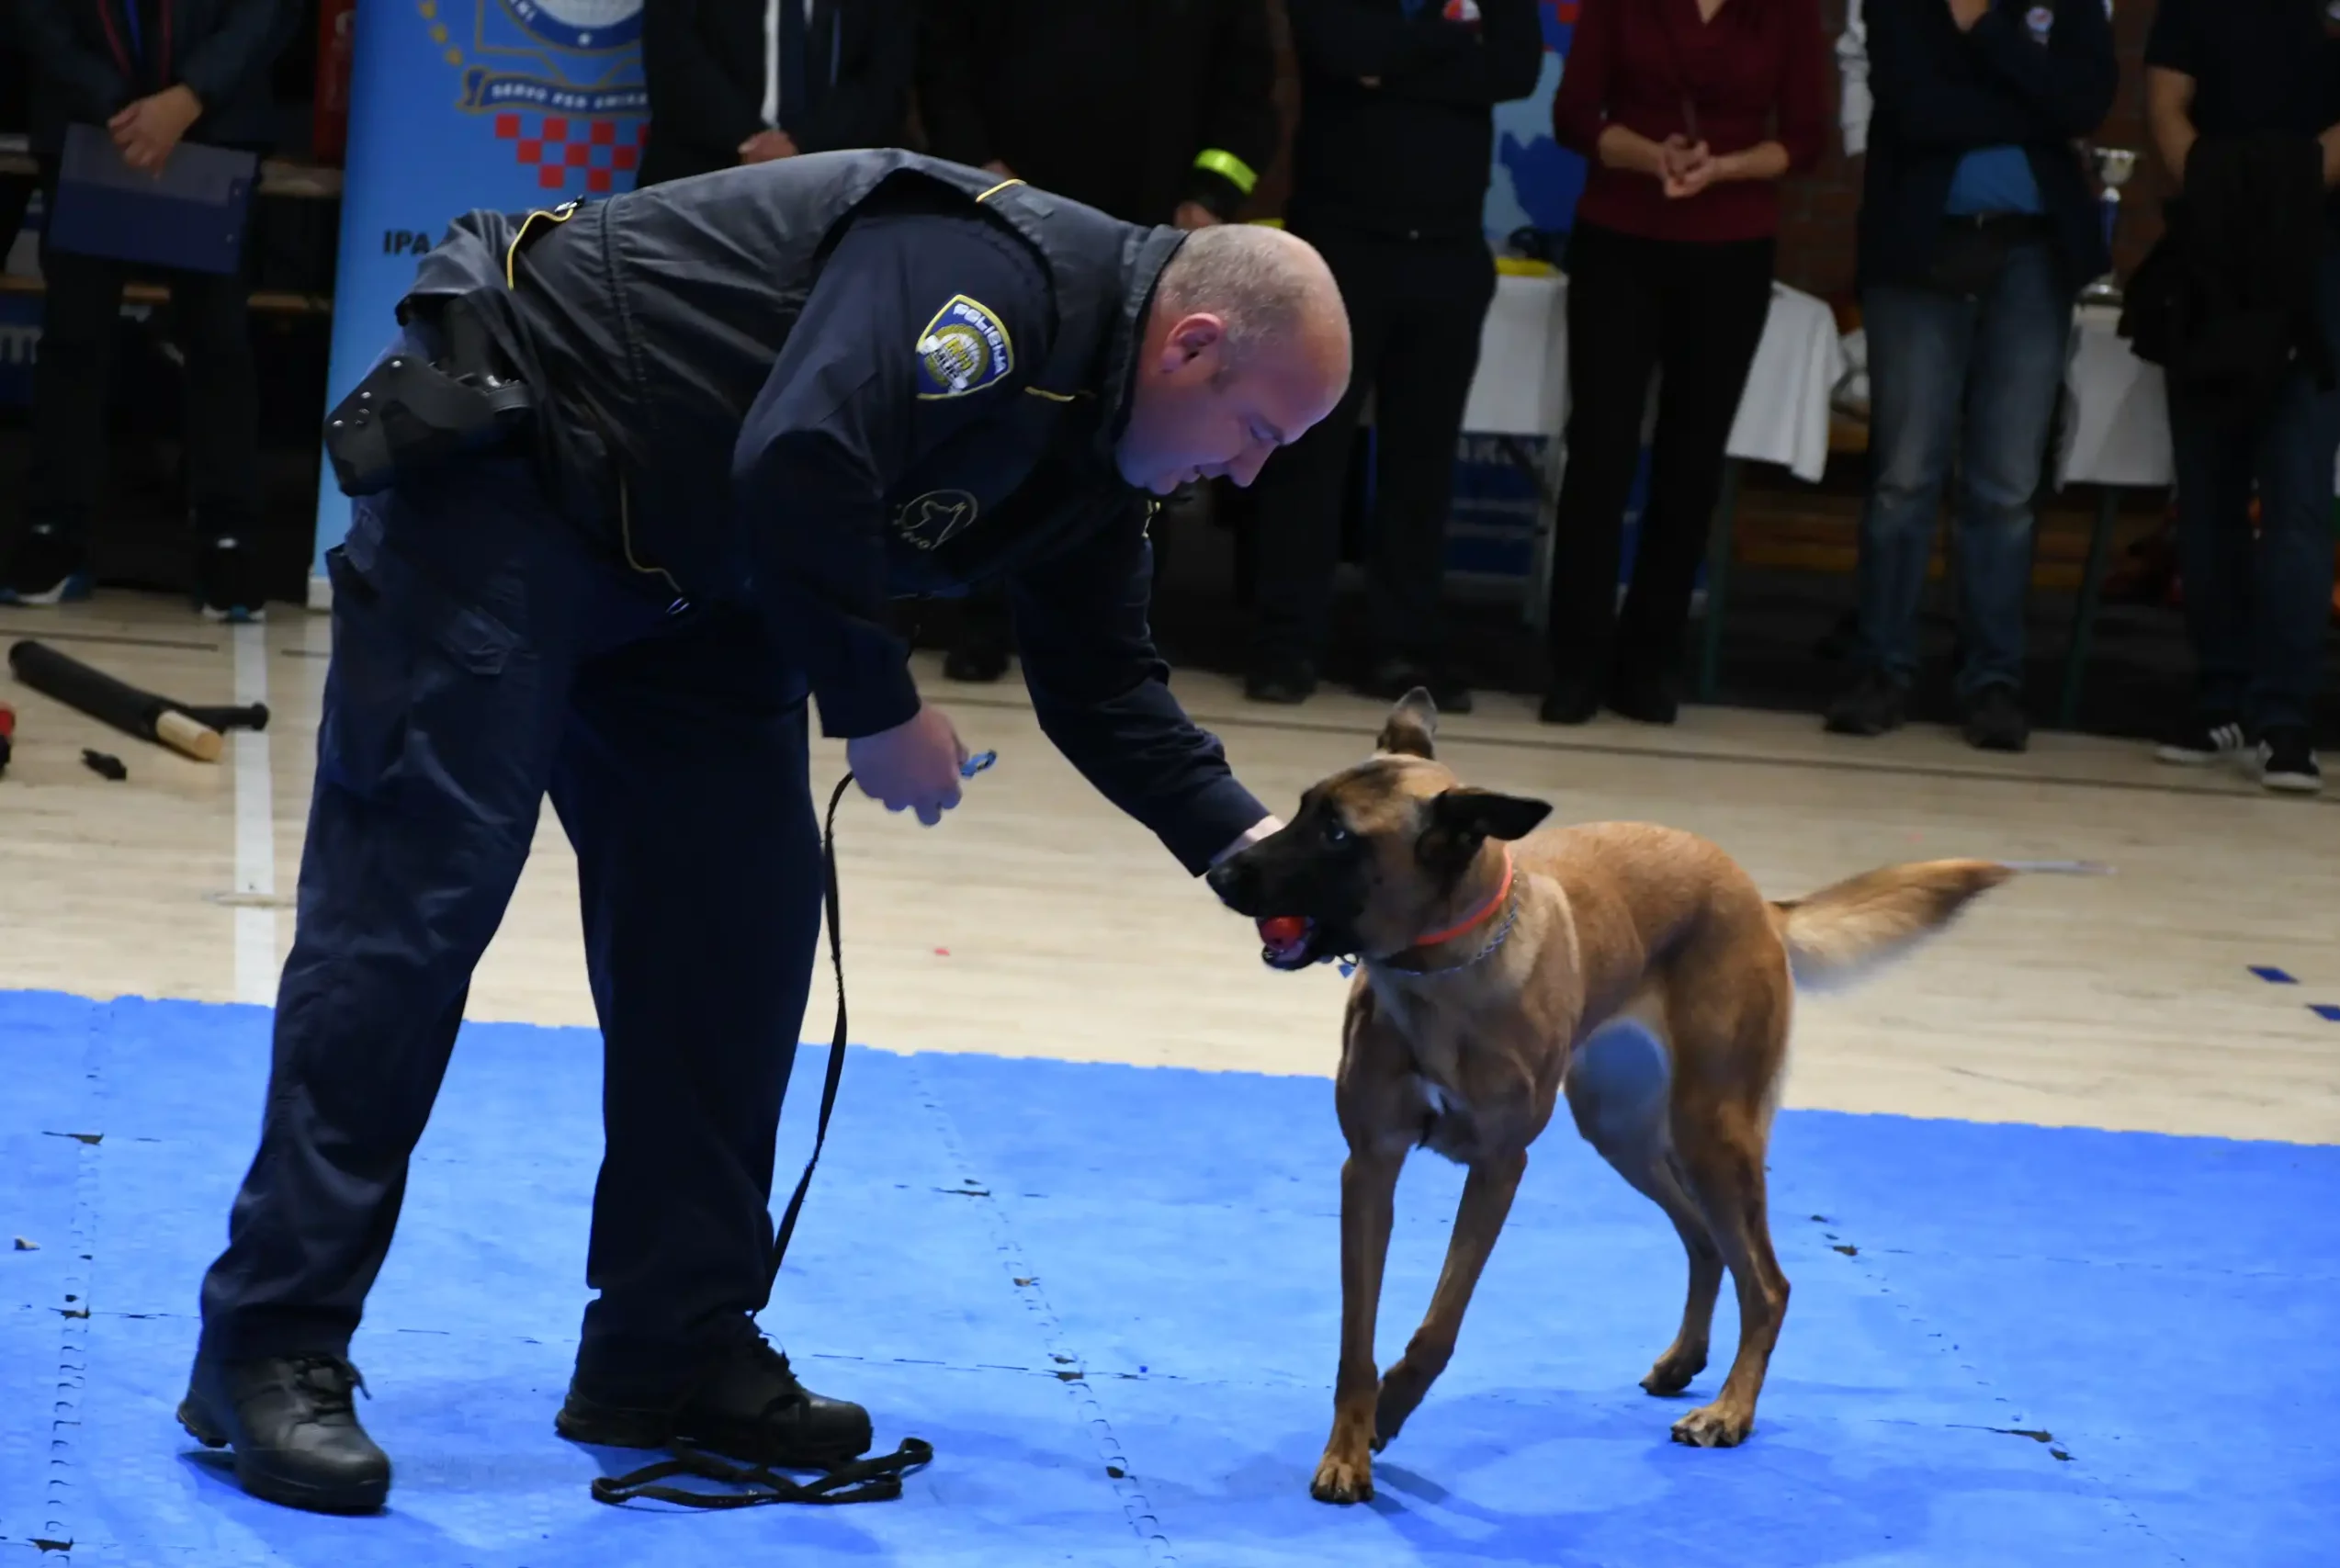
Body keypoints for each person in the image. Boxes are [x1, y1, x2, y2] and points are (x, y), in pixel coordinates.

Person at [177, 149, 1349, 1516]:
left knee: (734, 939)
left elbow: (1104, 685)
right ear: (1191, 345)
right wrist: (877, 705)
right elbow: (803, 453)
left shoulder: (1106, 443)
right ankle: (264, 1342)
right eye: (1256, 432)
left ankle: (666, 1348)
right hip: (516, 483)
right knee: (413, 917)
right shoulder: (993, 283)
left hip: (703, 580)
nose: (1244, 474)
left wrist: (1262, 858)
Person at [915, 0, 1279, 684]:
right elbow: (944, 65)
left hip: (1152, 236)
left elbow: (1248, 104)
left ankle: (1120, 625)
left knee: (1141, 429)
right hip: (1016, 224)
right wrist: (977, 166)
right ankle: (984, 615)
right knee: (1000, 413)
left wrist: (1209, 197)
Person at [1241, 0, 1543, 715]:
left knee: (1421, 464)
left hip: (1448, 249)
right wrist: (1451, 43)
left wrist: (1396, 58)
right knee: (1309, 452)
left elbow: (1515, 69)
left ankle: (1402, 643)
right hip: (1340, 245)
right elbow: (1343, 50)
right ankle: (1287, 643)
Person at [1826, 0, 2113, 751]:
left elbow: (2085, 102)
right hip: (1918, 250)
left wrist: (1983, 33)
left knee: (2007, 486)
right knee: (1903, 477)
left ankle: (1993, 679)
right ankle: (1880, 668)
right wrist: (2031, 103)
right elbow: (1913, 109)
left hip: (2034, 257)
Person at [1543, 0, 1825, 728]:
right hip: (1619, 237)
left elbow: (1806, 137)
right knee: (1600, 450)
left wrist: (1724, 167)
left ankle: (1648, 663)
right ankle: (1575, 662)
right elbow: (1574, 115)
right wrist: (1651, 156)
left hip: (1732, 245)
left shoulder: (1787, 12)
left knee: (1691, 461)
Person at [1, 0, 292, 619]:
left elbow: (266, 11)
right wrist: (120, 105)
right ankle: (54, 530)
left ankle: (228, 537)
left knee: (218, 342)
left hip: (215, 126)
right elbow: (33, 16)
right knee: (74, 337)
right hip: (87, 124)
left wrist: (187, 97)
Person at [2137, 0, 2340, 793]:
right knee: (2208, 492)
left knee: (2296, 487)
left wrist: (2265, 189)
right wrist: (2219, 189)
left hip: (2324, 257)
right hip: (2210, 254)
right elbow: (2166, 101)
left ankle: (2284, 713)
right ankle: (2220, 694)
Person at [638, 0, 917, 190]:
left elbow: (884, 83)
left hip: (842, 180)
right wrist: (749, 141)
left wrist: (800, 145)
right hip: (701, 177)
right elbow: (674, 61)